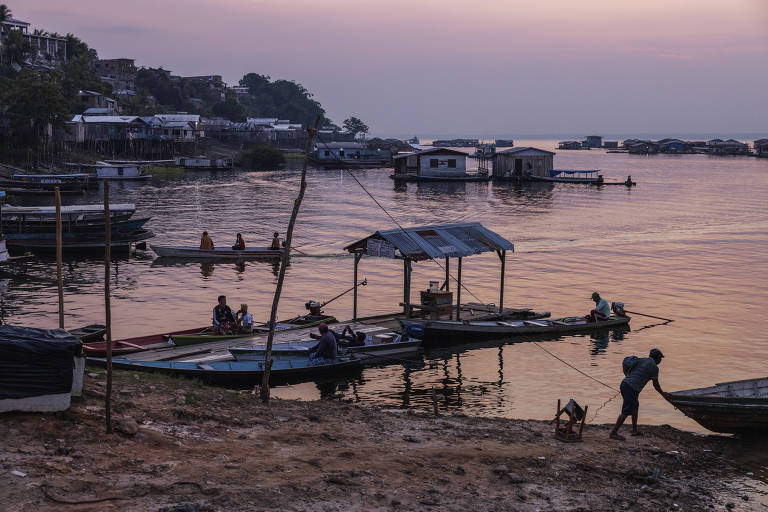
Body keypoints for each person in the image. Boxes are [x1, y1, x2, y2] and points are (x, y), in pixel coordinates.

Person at [609, 348, 671, 440]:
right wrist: (663, 393)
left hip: (626, 384)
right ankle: (613, 433)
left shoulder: (642, 360)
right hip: (631, 387)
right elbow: (655, 384)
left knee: (635, 407)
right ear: (657, 358)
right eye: (660, 358)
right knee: (626, 411)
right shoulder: (654, 367)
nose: (660, 360)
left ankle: (634, 430)